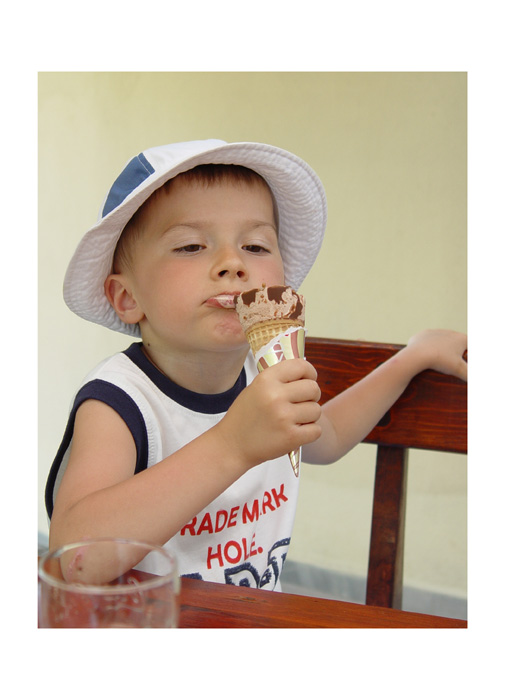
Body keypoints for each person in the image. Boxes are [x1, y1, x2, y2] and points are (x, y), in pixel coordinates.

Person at [45, 139, 467, 588]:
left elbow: (328, 438)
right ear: (128, 297)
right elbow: (74, 562)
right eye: (190, 246)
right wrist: (232, 445)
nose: (233, 263)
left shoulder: (264, 369)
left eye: (256, 246)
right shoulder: (120, 403)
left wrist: (412, 357)